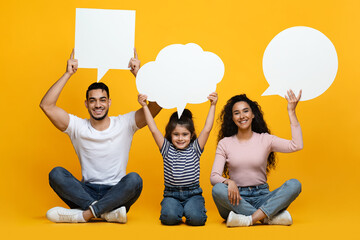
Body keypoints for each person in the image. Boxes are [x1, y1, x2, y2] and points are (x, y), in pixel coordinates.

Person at [40, 49, 162, 223]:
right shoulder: (77, 126)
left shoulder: (125, 123)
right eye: (93, 100)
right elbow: (47, 106)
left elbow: (157, 106)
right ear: (86, 104)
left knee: (134, 180)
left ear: (109, 102)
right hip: (86, 191)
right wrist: (68, 73)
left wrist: (139, 74)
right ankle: (104, 212)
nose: (98, 105)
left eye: (102, 100)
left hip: (117, 193)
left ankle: (85, 214)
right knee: (56, 174)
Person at [210, 90, 303, 227]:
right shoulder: (225, 143)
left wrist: (291, 112)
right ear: (232, 118)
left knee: (294, 184)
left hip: (263, 197)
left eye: (245, 111)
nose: (242, 116)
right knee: (217, 189)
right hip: (235, 199)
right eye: (237, 113)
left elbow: (296, 145)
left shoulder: (265, 139)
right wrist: (229, 182)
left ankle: (249, 220)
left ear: (253, 114)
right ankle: (266, 217)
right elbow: (214, 177)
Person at [137, 92, 218, 226]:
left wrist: (213, 105)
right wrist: (145, 106)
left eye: (185, 134)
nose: (180, 138)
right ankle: (177, 209)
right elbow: (153, 129)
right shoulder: (166, 149)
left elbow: (207, 129)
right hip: (171, 194)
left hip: (193, 193)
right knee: (169, 219)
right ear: (170, 134)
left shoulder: (195, 148)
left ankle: (191, 209)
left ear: (191, 135)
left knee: (197, 219)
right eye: (176, 134)